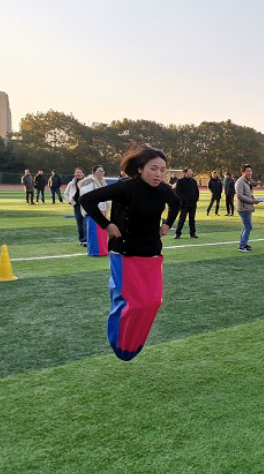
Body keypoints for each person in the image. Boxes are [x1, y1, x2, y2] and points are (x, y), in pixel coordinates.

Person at [79, 146, 180, 361]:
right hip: (125, 253)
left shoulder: (163, 190)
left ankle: (132, 343)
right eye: (154, 168)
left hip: (151, 252)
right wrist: (106, 225)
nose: (159, 174)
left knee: (153, 302)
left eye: (163, 170)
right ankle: (119, 340)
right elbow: (86, 200)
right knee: (130, 302)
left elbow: (176, 203)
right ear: (140, 168)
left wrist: (167, 224)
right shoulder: (125, 188)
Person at [79, 165, 110, 256]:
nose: (101, 173)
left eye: (102, 171)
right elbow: (87, 198)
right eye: (99, 171)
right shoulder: (89, 183)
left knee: (102, 233)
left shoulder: (102, 182)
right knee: (94, 233)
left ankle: (103, 251)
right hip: (94, 212)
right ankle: (95, 251)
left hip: (103, 211)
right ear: (93, 172)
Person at [236, 164, 260, 252]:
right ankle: (242, 246)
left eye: (250, 171)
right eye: (247, 171)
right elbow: (239, 195)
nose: (249, 172)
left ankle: (243, 244)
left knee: (247, 226)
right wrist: (251, 201)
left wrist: (254, 199)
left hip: (247, 207)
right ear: (243, 172)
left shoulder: (247, 181)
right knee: (248, 226)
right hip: (243, 208)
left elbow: (249, 194)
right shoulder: (240, 182)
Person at [64, 168, 88, 246]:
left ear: (83, 173)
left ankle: (86, 240)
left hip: (86, 205)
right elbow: (66, 193)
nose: (78, 173)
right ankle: (81, 239)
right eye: (77, 172)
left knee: (85, 222)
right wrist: (70, 202)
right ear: (74, 174)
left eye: (80, 172)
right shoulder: (71, 183)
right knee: (79, 223)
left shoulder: (88, 182)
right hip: (77, 205)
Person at [174, 168, 199, 239]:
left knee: (192, 219)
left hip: (193, 204)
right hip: (184, 204)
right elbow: (178, 192)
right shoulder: (180, 181)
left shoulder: (194, 181)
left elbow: (196, 191)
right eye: (189, 171)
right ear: (185, 173)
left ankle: (192, 233)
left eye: (191, 171)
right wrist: (184, 199)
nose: (191, 173)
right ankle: (178, 233)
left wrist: (196, 199)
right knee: (182, 219)